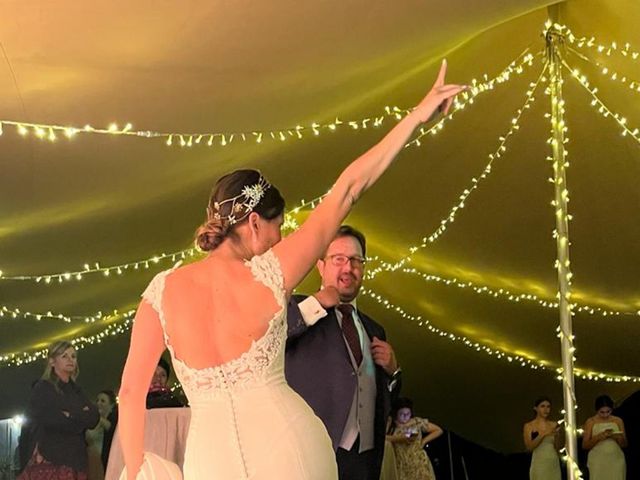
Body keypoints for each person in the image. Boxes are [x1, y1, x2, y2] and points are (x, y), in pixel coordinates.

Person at [118, 60, 464, 480]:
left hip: (210, 462)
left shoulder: (161, 292)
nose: (281, 239)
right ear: (254, 222)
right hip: (288, 447)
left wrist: (136, 471)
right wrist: (417, 114)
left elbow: (131, 392)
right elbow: (350, 188)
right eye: (279, 226)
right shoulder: (271, 272)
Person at [285, 225, 402, 480]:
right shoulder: (299, 309)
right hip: (311, 452)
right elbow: (270, 336)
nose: (348, 268)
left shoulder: (375, 329)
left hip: (364, 459)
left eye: (356, 261)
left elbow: (385, 396)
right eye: (339, 259)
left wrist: (394, 372)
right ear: (320, 266)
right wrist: (317, 303)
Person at [18, 341, 100, 480]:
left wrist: (71, 414)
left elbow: (93, 418)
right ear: (52, 361)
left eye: (73, 356)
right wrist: (80, 417)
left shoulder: (77, 390)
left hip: (76, 459)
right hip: (52, 457)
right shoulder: (43, 388)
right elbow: (53, 419)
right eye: (64, 356)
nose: (70, 360)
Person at [385, 397, 441, 480]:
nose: (405, 417)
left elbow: (438, 430)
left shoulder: (415, 422)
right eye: (401, 414)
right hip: (401, 464)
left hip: (417, 462)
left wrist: (423, 441)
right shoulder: (392, 424)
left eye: (408, 414)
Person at [583, 394, 627, 480]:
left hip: (616, 459)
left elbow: (624, 444)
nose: (605, 415)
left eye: (608, 411)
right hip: (598, 460)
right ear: (597, 410)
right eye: (602, 412)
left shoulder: (618, 421)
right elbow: (585, 445)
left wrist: (616, 436)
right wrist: (599, 437)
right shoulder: (591, 422)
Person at [522, 396, 561, 480]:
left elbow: (557, 448)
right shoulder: (529, 426)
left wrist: (557, 436)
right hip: (539, 462)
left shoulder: (554, 424)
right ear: (536, 408)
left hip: (553, 461)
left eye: (548, 406)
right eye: (542, 406)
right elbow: (529, 447)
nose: (546, 409)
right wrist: (543, 434)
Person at [85, 390, 116, 480]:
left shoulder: (113, 421)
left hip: (106, 464)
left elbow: (111, 429)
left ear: (111, 406)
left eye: (103, 401)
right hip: (91, 463)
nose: (98, 403)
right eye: (97, 400)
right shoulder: (91, 422)